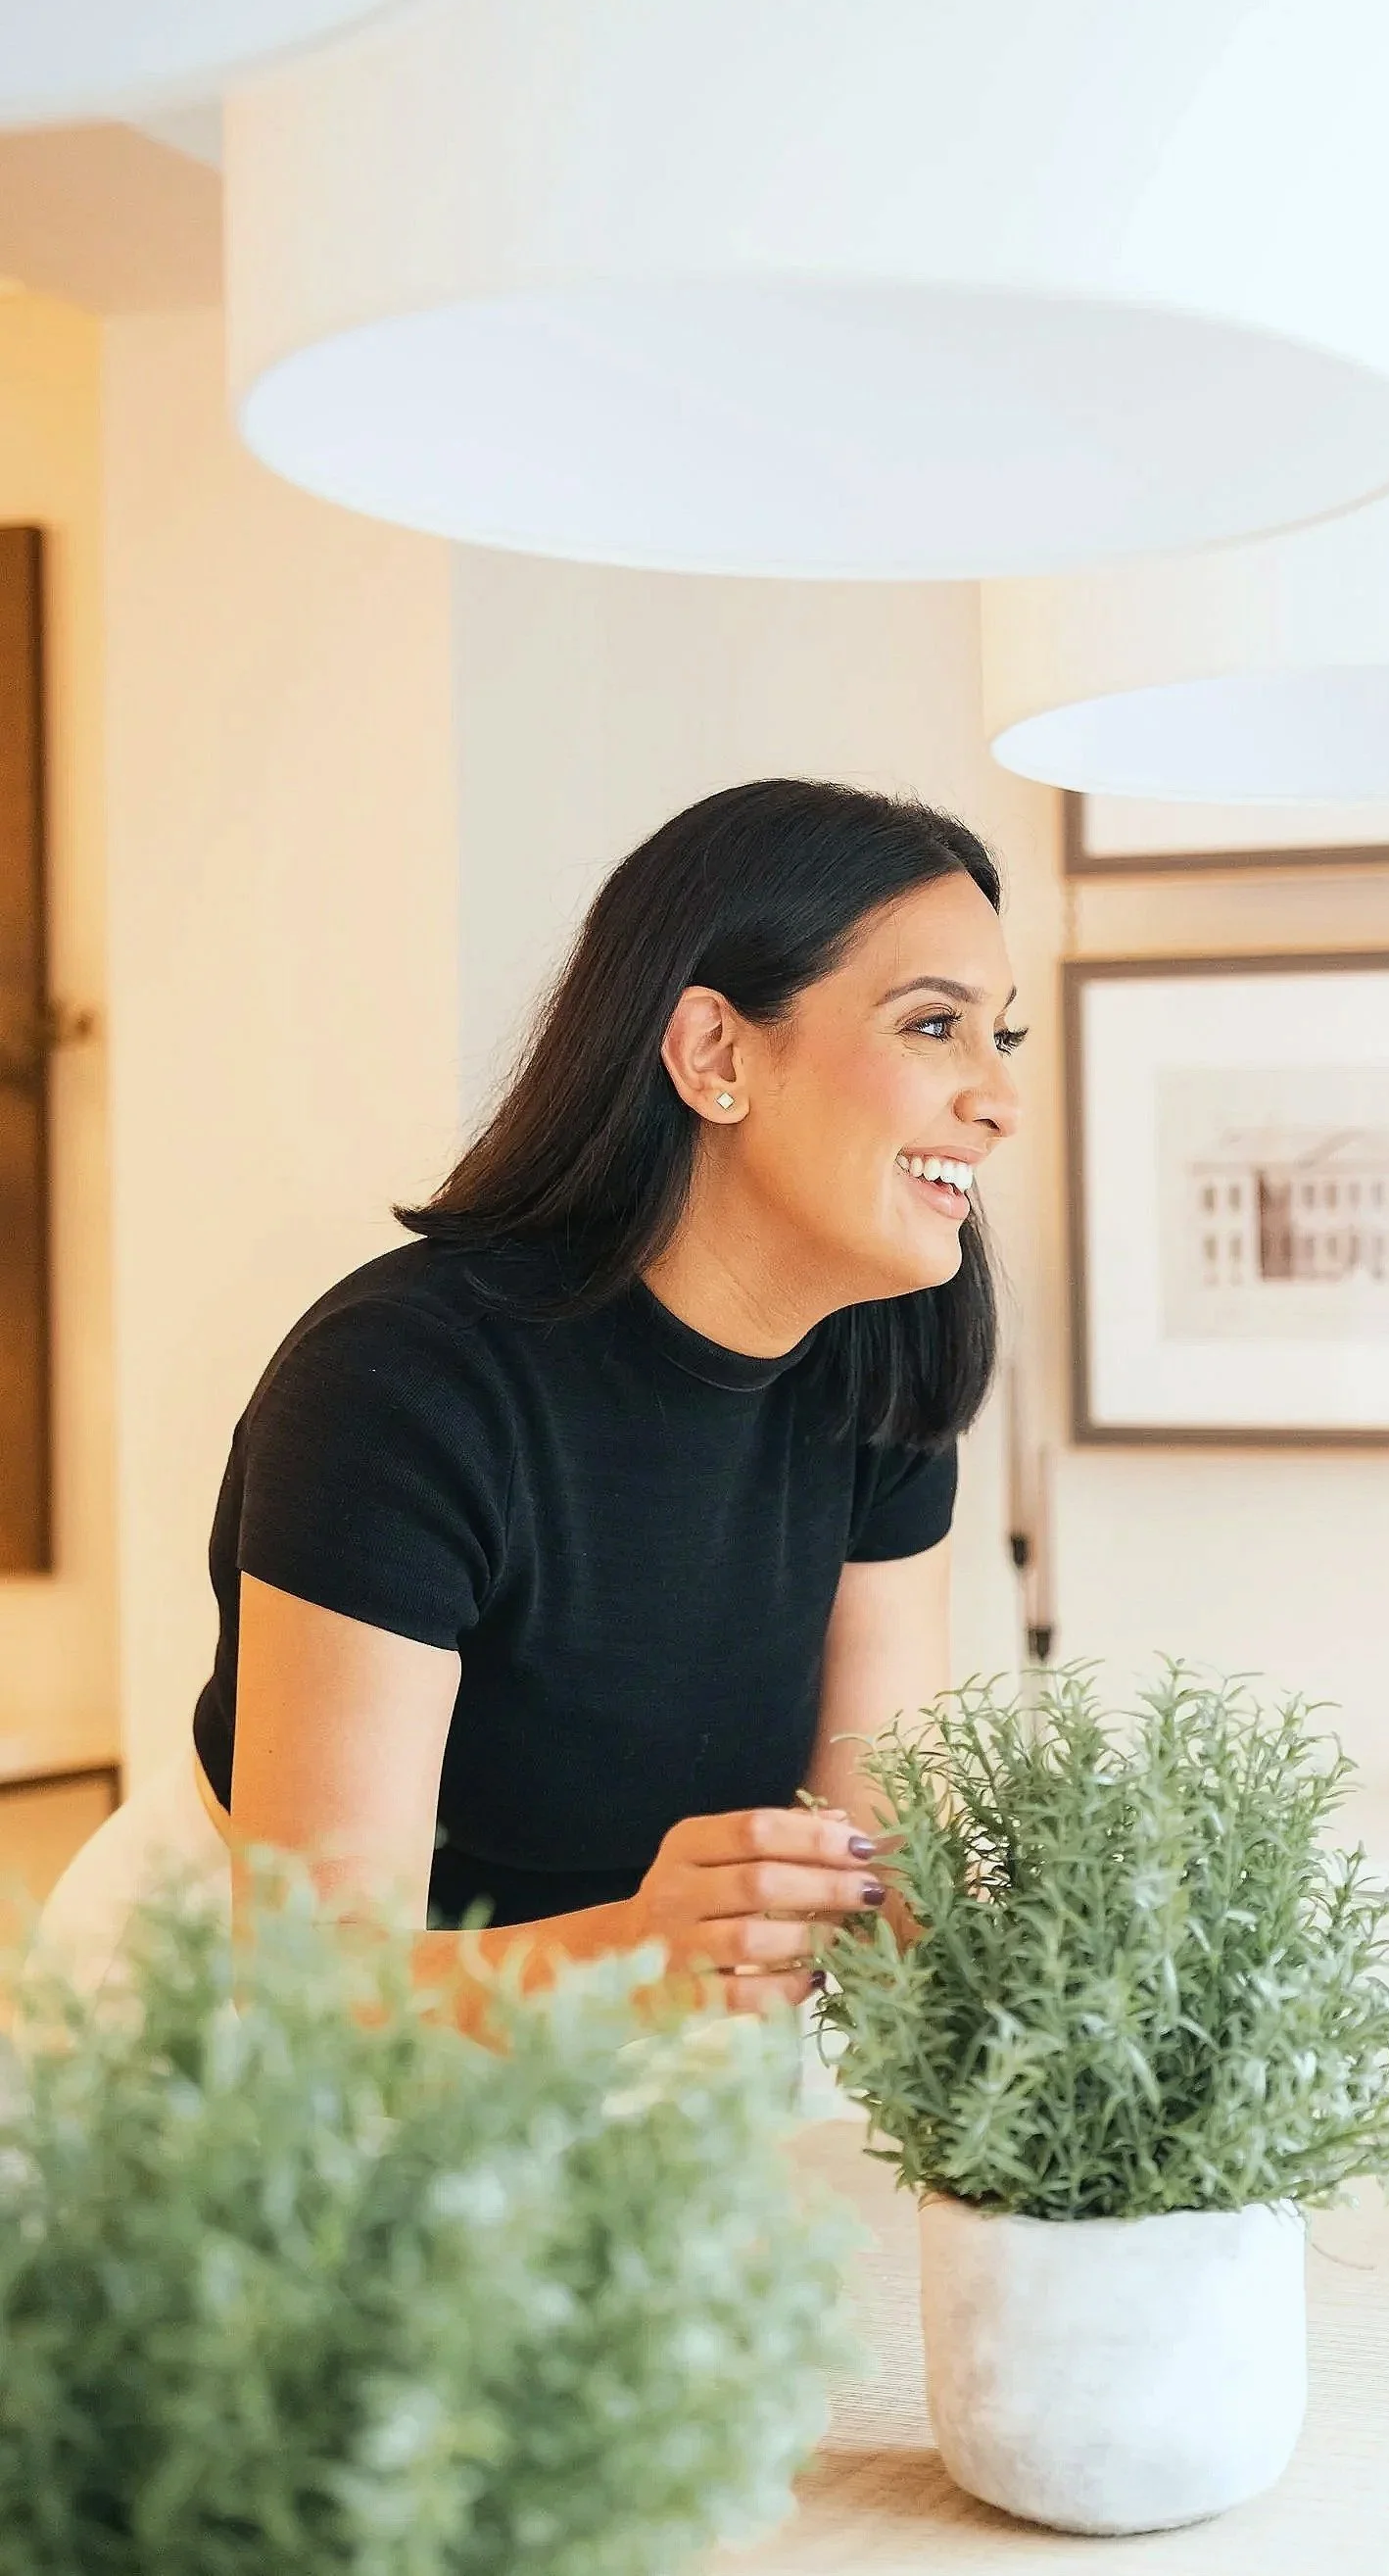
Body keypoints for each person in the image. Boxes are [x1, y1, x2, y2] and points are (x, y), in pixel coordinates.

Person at [40, 778, 1022, 2013]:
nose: (1001, 1100)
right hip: (248, 2059)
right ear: (716, 1052)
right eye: (936, 1026)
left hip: (640, 2027)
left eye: (1004, 1035)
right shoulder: (403, 1387)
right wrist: (640, 1955)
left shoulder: (875, 1362)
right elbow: (311, 1988)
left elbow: (880, 1876)